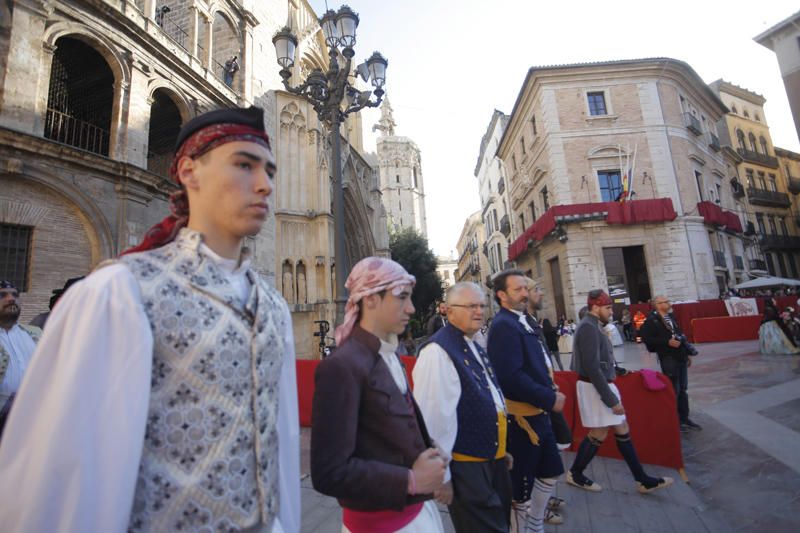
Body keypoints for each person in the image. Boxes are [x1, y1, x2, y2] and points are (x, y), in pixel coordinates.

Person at [0, 107, 301, 532]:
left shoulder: (273, 307)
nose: (264, 184)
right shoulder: (122, 293)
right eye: (244, 165)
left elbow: (282, 444)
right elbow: (62, 471)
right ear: (189, 171)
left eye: (269, 170)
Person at [311, 257, 446, 533]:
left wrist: (429, 451)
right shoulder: (341, 366)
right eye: (402, 298)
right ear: (370, 299)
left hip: (419, 517)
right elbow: (329, 473)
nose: (411, 308)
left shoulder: (388, 354)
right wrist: (410, 480)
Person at [414, 282, 512, 532]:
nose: (479, 311)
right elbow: (432, 419)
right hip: (466, 469)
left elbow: (492, 399)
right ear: (447, 310)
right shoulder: (437, 351)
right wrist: (442, 477)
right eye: (470, 306)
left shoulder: (473, 344)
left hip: (491, 461)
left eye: (481, 305)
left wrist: (500, 448)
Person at [568, 290, 673, 495]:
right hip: (594, 387)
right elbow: (591, 367)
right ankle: (576, 474)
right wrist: (611, 399)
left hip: (599, 384)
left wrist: (616, 370)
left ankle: (641, 480)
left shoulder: (593, 326)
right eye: (608, 308)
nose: (611, 312)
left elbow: (600, 361)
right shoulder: (588, 327)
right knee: (599, 432)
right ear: (595, 307)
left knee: (620, 427)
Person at [488, 269, 566, 533]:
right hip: (522, 422)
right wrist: (548, 397)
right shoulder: (503, 326)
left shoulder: (522, 320)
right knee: (520, 492)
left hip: (539, 414)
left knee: (550, 472)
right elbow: (510, 376)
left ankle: (535, 522)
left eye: (525, 288)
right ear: (502, 295)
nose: (525, 293)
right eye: (518, 289)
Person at [639, 296, 702, 432]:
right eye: (665, 302)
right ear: (657, 305)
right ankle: (675, 421)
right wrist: (666, 342)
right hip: (668, 358)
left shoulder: (671, 317)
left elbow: (678, 335)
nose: (669, 303)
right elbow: (646, 338)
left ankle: (684, 417)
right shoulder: (651, 321)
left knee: (683, 389)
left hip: (680, 356)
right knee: (674, 390)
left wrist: (686, 354)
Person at [0, 281, 42, 435]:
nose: (11, 299)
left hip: (34, 419)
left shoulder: (35, 334)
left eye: (15, 295)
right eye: (2, 295)